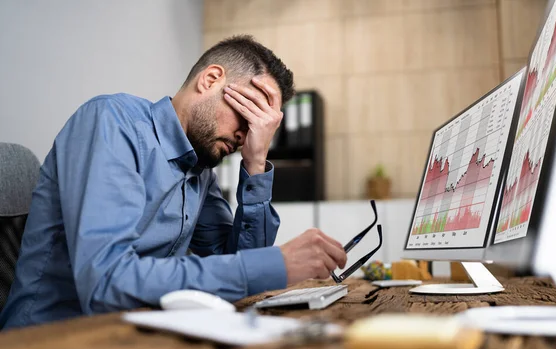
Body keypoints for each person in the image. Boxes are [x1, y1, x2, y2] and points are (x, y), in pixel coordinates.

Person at [0, 35, 347, 329]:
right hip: (49, 344)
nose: (249, 133)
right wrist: (273, 264)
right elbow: (106, 283)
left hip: (134, 337)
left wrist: (256, 164)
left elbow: (241, 269)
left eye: (262, 125)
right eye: (248, 113)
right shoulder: (112, 124)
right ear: (211, 80)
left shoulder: (200, 168)